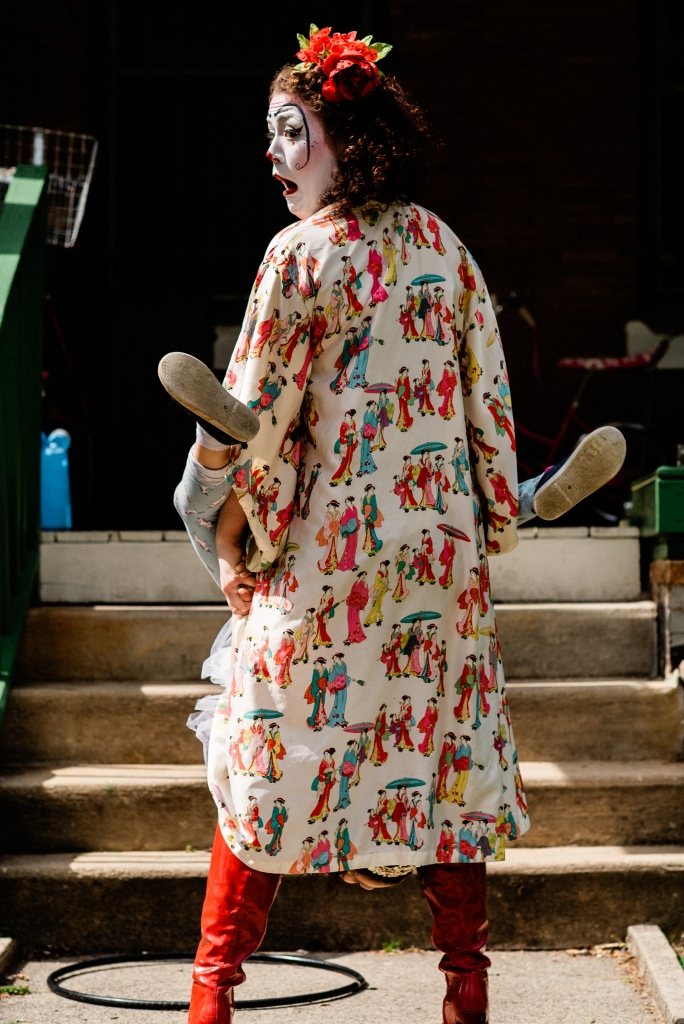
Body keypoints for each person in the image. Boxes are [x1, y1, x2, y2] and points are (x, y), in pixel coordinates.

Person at [158, 25, 627, 1024]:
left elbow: (264, 409)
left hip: (328, 560)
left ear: (344, 138)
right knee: (444, 760)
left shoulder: (298, 254)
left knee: (267, 756)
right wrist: (497, 511)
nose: (273, 151)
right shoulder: (445, 248)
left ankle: (211, 999)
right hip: (437, 565)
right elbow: (487, 406)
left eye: (291, 131)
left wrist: (236, 535)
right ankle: (466, 996)